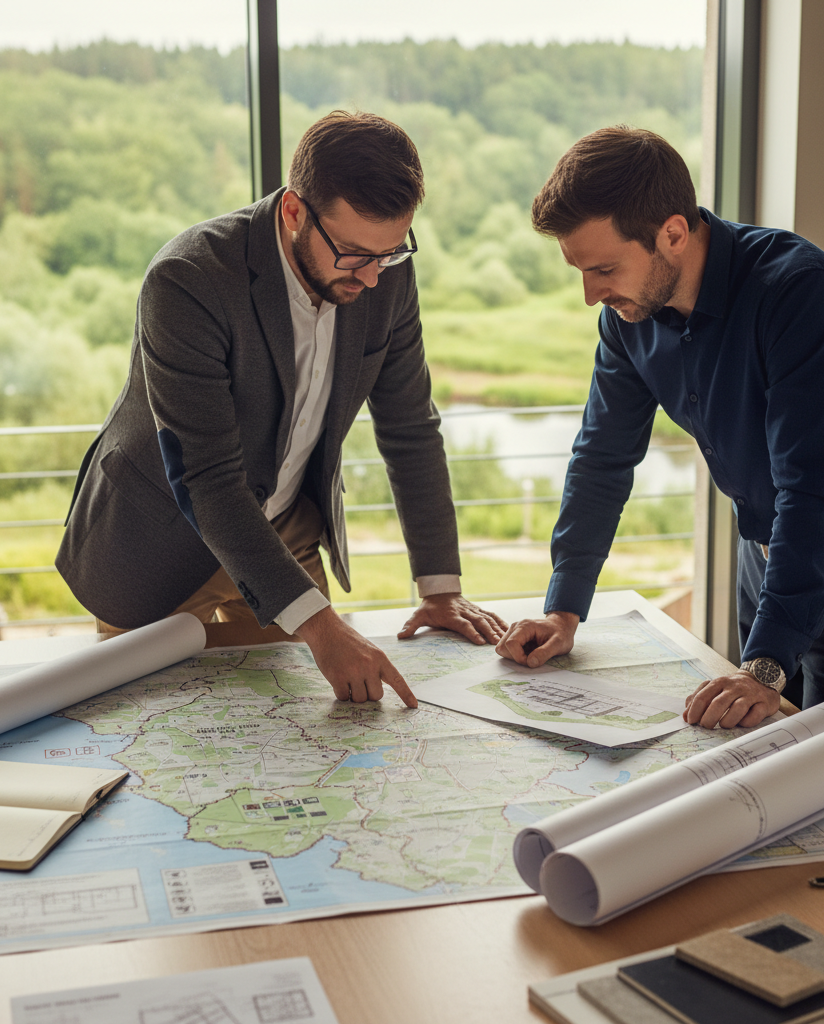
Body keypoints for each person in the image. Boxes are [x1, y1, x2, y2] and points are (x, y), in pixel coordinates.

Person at [57, 111, 506, 708]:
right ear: (294, 211)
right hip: (162, 535)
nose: (373, 277)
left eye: (391, 252)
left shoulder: (382, 270)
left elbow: (410, 427)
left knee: (303, 730)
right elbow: (207, 477)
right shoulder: (187, 279)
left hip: (287, 527)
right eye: (352, 254)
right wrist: (322, 629)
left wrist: (440, 588)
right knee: (155, 741)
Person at [496, 126, 824, 728]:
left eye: (602, 269)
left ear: (672, 233)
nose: (589, 294)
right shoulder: (629, 317)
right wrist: (563, 611)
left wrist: (762, 667)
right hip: (764, 554)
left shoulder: (800, 292)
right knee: (757, 749)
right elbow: (601, 458)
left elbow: (810, 492)